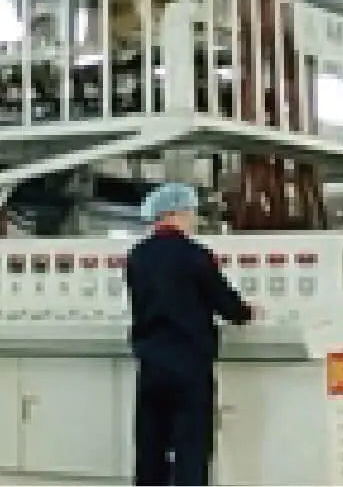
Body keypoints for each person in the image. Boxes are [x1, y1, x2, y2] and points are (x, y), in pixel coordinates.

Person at [125, 182, 254, 486]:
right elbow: (225, 303)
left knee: (150, 448)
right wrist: (246, 312)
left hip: (151, 364)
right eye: (190, 212)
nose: (192, 218)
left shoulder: (137, 256)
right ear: (175, 213)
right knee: (191, 449)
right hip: (189, 365)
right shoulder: (195, 255)